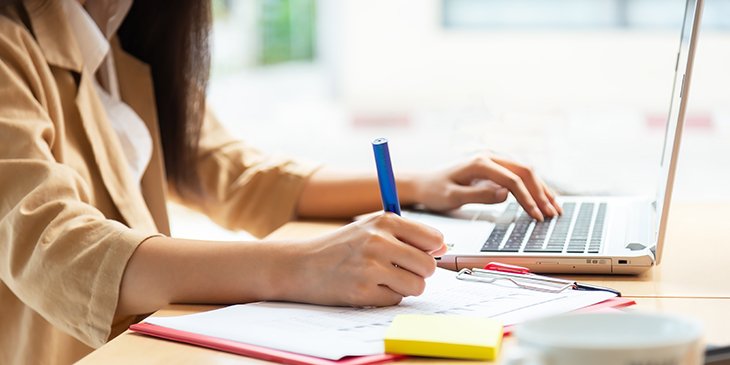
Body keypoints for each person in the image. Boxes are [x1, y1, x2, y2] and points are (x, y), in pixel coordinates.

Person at [0, 0, 561, 364]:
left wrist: (421, 184)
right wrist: (300, 266)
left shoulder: (123, 45)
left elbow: (232, 173)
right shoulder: (10, 45)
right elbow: (52, 246)